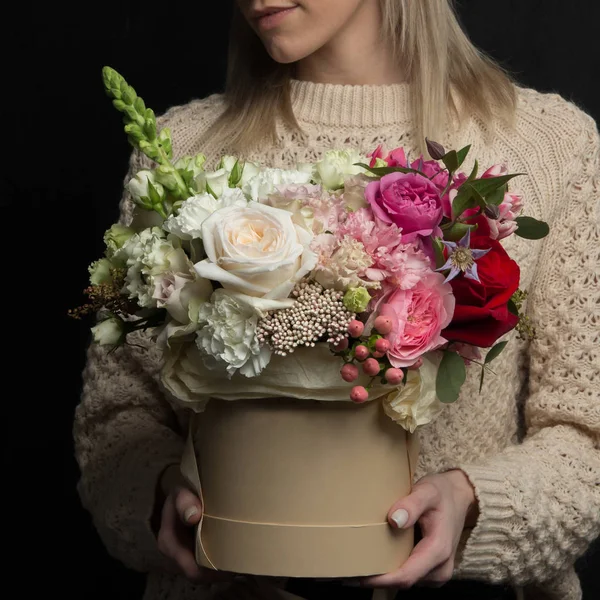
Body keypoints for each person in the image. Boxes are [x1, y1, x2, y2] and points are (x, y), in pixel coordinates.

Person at [73, 1, 600, 599]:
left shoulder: (547, 145)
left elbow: (587, 437)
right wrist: (160, 499)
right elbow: (115, 422)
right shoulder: (177, 153)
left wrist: (471, 505)